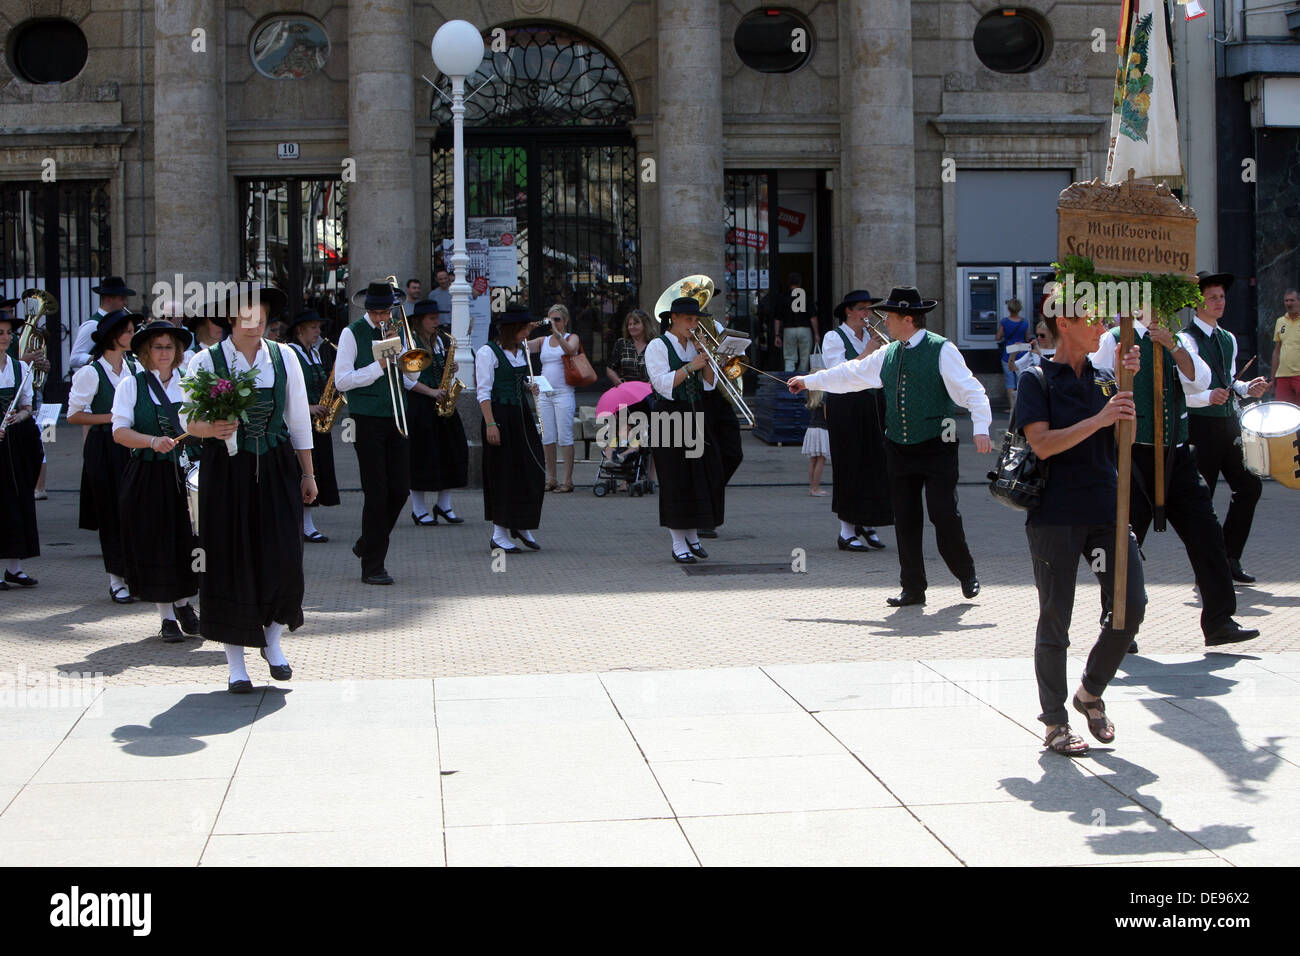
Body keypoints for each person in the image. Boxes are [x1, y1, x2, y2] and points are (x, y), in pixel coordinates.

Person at [790, 286, 992, 607]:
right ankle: (913, 587)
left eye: (889, 317)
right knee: (906, 519)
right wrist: (809, 381)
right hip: (898, 446)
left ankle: (965, 573)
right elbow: (851, 374)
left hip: (937, 445)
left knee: (943, 514)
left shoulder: (942, 349)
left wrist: (981, 427)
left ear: (907, 319)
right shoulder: (888, 353)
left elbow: (973, 391)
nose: (883, 322)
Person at [1090, 304, 1260, 648]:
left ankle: (1219, 621)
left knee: (1207, 535)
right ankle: (1118, 621)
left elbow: (1200, 379)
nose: (1160, 311)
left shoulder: (1179, 340)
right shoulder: (1114, 338)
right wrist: (1122, 377)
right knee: (1123, 541)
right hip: (1134, 454)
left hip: (1177, 454)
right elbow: (1096, 383)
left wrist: (1172, 345)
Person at [1017, 307, 1145, 755]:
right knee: (1056, 620)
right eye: (1092, 320)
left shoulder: (1107, 380)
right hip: (1055, 515)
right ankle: (1054, 722)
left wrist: (1131, 390)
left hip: (1107, 512)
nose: (1103, 328)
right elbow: (1043, 444)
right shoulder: (1036, 379)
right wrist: (1099, 419)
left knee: (1130, 608)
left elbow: (1126, 442)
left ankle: (1090, 691)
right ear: (1064, 325)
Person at [180, 284, 316, 692]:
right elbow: (188, 422)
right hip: (226, 469)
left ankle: (273, 644)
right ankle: (235, 664)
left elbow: (299, 420)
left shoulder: (285, 356)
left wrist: (308, 473)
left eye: (261, 313)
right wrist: (212, 428)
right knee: (228, 559)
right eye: (247, 313)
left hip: (275, 466)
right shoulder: (205, 360)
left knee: (283, 555)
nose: (255, 321)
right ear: (230, 318)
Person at [111, 320, 200, 642]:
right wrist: (151, 441)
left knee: (189, 542)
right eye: (158, 347)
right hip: (149, 475)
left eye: (170, 347)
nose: (164, 352)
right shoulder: (130, 385)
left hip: (186, 473)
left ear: (178, 352)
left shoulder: (189, 383)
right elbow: (119, 433)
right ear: (147, 352)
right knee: (158, 543)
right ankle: (167, 617)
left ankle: (185, 604)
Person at [1184, 272, 1269, 584]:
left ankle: (1230, 557)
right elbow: (1183, 391)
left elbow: (1230, 380)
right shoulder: (1185, 339)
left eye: (1221, 297)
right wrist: (1209, 396)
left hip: (1228, 424)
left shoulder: (1228, 338)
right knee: (1198, 502)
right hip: (1200, 427)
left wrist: (1248, 388)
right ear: (1198, 303)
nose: (1219, 302)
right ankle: (1209, 566)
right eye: (1213, 297)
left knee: (1249, 487)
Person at [334, 281, 416, 585]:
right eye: (378, 312)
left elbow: (413, 375)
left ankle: (367, 541)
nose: (383, 318)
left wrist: (402, 353)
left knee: (400, 490)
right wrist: (379, 365)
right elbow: (342, 381)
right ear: (368, 310)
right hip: (366, 419)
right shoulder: (351, 333)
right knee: (377, 492)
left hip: (397, 414)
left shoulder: (398, 329)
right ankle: (373, 565)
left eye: (387, 312)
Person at [67, 308, 139, 603]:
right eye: (129, 331)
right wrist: (111, 417)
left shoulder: (135, 368)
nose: (133, 336)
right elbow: (73, 415)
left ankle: (135, 574)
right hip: (103, 449)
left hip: (132, 447)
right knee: (111, 513)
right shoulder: (90, 372)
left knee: (134, 512)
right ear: (113, 336)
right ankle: (116, 580)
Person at [645, 295, 724, 563]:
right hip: (669, 416)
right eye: (689, 320)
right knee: (675, 479)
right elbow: (662, 384)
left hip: (695, 413)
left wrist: (708, 359)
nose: (693, 325)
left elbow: (710, 384)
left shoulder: (694, 345)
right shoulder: (658, 346)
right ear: (674, 319)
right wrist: (692, 366)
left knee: (696, 476)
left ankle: (692, 536)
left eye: (696, 320)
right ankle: (678, 543)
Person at [821, 289, 891, 552]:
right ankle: (846, 530)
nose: (867, 314)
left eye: (869, 309)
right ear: (848, 311)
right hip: (845, 406)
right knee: (850, 465)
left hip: (873, 404)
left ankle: (868, 522)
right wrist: (868, 353)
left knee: (875, 464)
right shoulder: (833, 337)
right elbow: (838, 374)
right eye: (862, 309)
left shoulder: (871, 337)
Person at [477, 302, 546, 552]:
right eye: (523, 328)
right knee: (502, 473)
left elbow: (520, 379)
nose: (527, 332)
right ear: (511, 328)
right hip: (500, 415)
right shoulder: (488, 353)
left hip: (521, 415)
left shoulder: (522, 350)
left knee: (531, 470)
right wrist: (490, 424)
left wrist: (529, 387)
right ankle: (499, 532)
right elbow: (483, 392)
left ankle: (520, 522)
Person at [405, 301, 468, 525]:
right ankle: (418, 509)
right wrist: (431, 392)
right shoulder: (410, 343)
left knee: (451, 450)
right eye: (431, 318)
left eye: (436, 318)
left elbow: (442, 368)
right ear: (420, 321)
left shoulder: (441, 341)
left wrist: (451, 369)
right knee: (421, 456)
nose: (436, 322)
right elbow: (406, 380)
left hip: (442, 402)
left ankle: (444, 504)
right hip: (420, 405)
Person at [285, 310, 341, 542]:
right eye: (313, 328)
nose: (318, 332)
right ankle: (302, 525)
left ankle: (306, 523)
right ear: (300, 330)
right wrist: (308, 408)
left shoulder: (315, 353)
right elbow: (286, 390)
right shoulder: (291, 353)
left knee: (316, 471)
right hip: (298, 422)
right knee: (300, 472)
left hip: (317, 424)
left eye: (319, 328)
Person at [0, 312, 41, 588]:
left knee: (17, 501)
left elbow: (28, 407)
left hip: (13, 445)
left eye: (7, 333)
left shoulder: (18, 368)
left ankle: (14, 568)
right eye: (0, 333)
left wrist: (19, 417)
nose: (5, 337)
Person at [698, 311, 744, 538]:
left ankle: (708, 496)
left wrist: (729, 359)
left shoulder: (713, 325)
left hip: (719, 394)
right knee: (707, 458)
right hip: (697, 396)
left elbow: (737, 362)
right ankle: (705, 515)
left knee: (733, 453)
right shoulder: (680, 331)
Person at [528, 304, 579, 493]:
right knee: (547, 436)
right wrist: (528, 329)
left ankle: (568, 480)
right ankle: (551, 478)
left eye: (557, 319)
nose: (554, 323)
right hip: (544, 393)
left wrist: (558, 333)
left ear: (565, 321)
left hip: (564, 393)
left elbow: (571, 350)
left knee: (565, 436)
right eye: (551, 319)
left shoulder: (570, 337)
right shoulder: (543, 341)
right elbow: (522, 346)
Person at [70, 276, 134, 372]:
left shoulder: (122, 322)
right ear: (108, 300)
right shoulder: (92, 325)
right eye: (122, 299)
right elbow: (74, 358)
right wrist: (103, 359)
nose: (125, 303)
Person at [774, 272, 819, 373]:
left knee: (789, 357)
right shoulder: (806, 296)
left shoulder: (783, 297)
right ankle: (802, 377)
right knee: (805, 357)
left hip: (789, 330)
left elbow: (777, 319)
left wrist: (777, 335)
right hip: (805, 329)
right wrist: (816, 334)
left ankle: (788, 378)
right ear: (800, 282)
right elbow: (813, 317)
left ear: (788, 283)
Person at [996, 298, 1030, 406]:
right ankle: (1022, 406)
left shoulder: (1005, 322)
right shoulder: (1025, 322)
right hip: (1022, 353)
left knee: (1010, 381)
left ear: (1009, 309)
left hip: (1008, 353)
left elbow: (997, 337)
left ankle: (1012, 407)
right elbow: (1027, 337)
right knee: (1021, 379)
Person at [606, 308, 654, 386]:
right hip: (627, 391)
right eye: (629, 324)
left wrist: (653, 383)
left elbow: (663, 370)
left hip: (650, 392)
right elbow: (610, 368)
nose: (631, 327)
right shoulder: (622, 343)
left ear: (645, 325)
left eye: (635, 323)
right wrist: (618, 382)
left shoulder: (655, 344)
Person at [1272, 288, 1300, 404]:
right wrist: (1273, 377)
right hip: (1282, 376)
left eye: (1292, 300)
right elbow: (1277, 351)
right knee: (1284, 412)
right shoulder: (1280, 321)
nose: (1288, 303)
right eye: (1286, 301)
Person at [802, 388, 830, 496]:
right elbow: (827, 417)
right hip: (821, 430)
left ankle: (812, 487)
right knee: (821, 460)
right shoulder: (824, 397)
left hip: (811, 429)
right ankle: (816, 488)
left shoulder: (811, 395)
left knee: (813, 460)